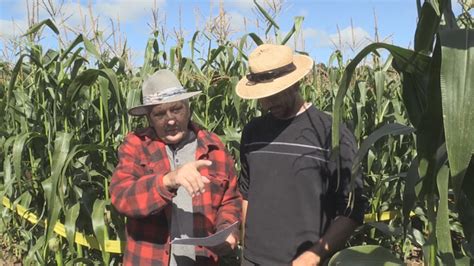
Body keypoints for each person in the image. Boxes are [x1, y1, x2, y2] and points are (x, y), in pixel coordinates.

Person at [236, 44, 367, 266]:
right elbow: (246, 193)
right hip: (251, 260)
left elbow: (352, 208)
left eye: (273, 94)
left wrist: (314, 255)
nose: (266, 103)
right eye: (262, 96)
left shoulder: (330, 133)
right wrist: (245, 243)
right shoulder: (253, 131)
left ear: (296, 83)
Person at [110, 69, 242, 265]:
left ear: (188, 108)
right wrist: (168, 181)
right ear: (149, 118)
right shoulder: (136, 145)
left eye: (176, 109)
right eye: (160, 114)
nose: (170, 119)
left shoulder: (213, 147)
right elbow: (121, 197)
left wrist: (227, 230)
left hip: (201, 260)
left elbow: (230, 199)